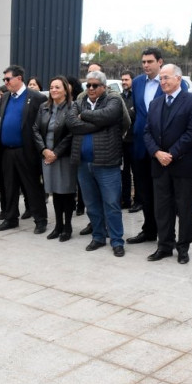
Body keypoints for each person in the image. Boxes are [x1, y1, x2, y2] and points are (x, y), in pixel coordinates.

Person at [144, 64, 192, 264]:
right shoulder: (155, 103)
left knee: (184, 208)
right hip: (160, 165)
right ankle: (164, 246)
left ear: (178, 79)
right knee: (162, 208)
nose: (163, 82)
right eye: (161, 79)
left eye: (166, 78)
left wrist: (171, 154)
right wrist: (156, 152)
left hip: (183, 164)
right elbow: (147, 132)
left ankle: (183, 247)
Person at [128, 47, 188, 245]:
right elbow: (138, 112)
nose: (146, 65)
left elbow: (180, 113)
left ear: (160, 62)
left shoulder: (175, 83)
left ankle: (167, 235)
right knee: (144, 191)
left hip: (164, 149)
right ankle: (149, 230)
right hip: (140, 145)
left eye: (150, 61)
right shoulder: (137, 83)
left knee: (164, 194)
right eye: (143, 62)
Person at [66, 71, 125, 255]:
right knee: (92, 205)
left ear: (104, 87)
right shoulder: (79, 102)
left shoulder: (113, 100)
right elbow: (71, 123)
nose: (90, 88)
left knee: (112, 204)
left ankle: (117, 241)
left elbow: (109, 115)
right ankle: (98, 237)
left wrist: (84, 116)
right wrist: (97, 122)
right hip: (83, 164)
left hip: (107, 164)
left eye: (94, 85)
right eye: (88, 85)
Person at [0, 65, 48, 233]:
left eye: (8, 79)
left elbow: (42, 126)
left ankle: (40, 220)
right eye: (4, 80)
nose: (5, 82)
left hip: (26, 151)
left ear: (19, 78)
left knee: (32, 186)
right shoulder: (5, 97)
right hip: (7, 151)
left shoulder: (36, 97)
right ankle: (11, 218)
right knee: (10, 187)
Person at [33, 76, 76, 241]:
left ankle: (68, 226)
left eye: (57, 87)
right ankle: (58, 226)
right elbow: (35, 129)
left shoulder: (72, 107)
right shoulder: (44, 107)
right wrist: (44, 150)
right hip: (47, 155)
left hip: (64, 156)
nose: (54, 90)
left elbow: (72, 133)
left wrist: (56, 152)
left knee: (66, 192)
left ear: (65, 89)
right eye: (51, 87)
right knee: (55, 193)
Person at [119, 70, 138, 210]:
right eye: (123, 80)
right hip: (122, 141)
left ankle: (139, 200)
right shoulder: (119, 97)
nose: (124, 82)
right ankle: (125, 200)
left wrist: (128, 113)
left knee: (137, 172)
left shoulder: (137, 97)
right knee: (123, 172)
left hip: (134, 140)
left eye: (126, 79)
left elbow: (134, 114)